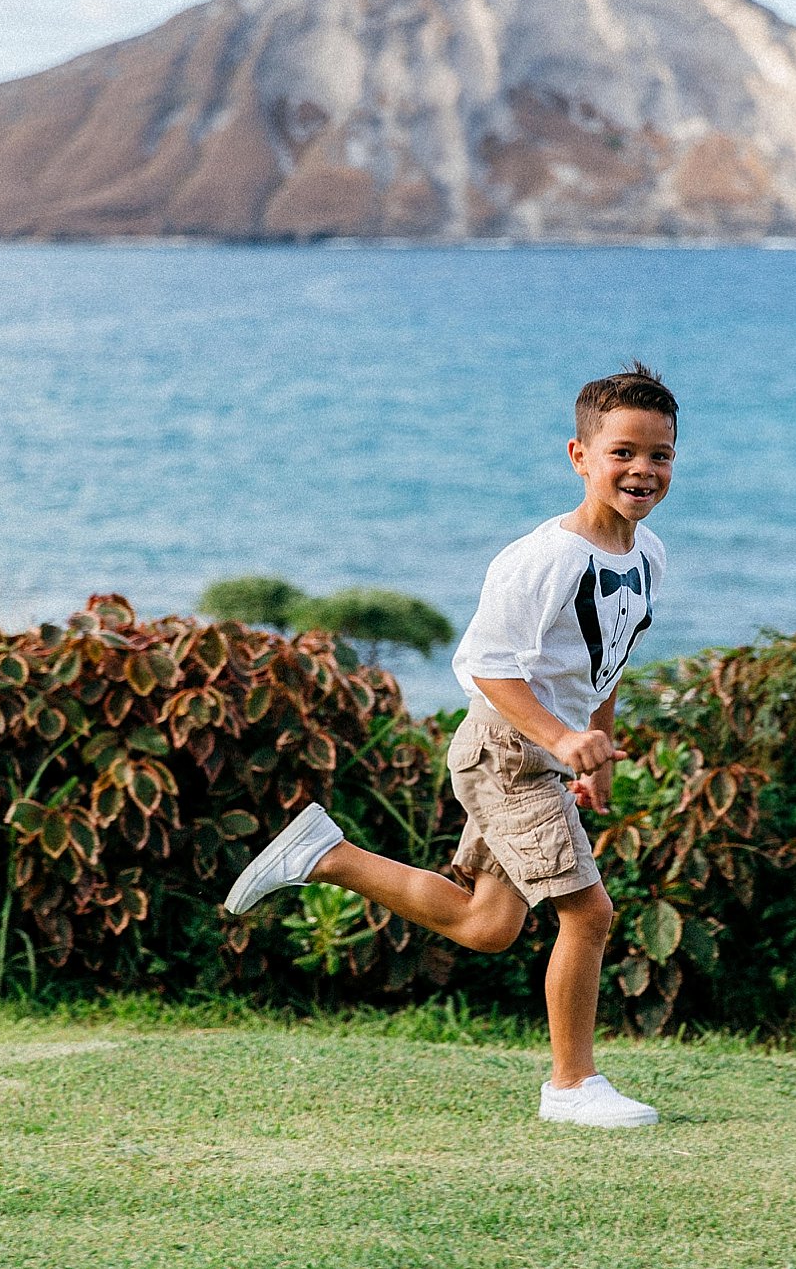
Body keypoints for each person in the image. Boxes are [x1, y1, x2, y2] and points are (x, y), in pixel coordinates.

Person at [223, 363, 677, 1128]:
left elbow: (607, 662)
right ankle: (571, 1087)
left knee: (487, 926)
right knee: (589, 915)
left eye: (659, 454)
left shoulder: (645, 556)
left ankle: (325, 855)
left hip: (545, 754)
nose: (642, 469)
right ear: (580, 455)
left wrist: (594, 746)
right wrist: (562, 738)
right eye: (623, 451)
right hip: (505, 752)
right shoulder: (546, 559)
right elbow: (487, 669)